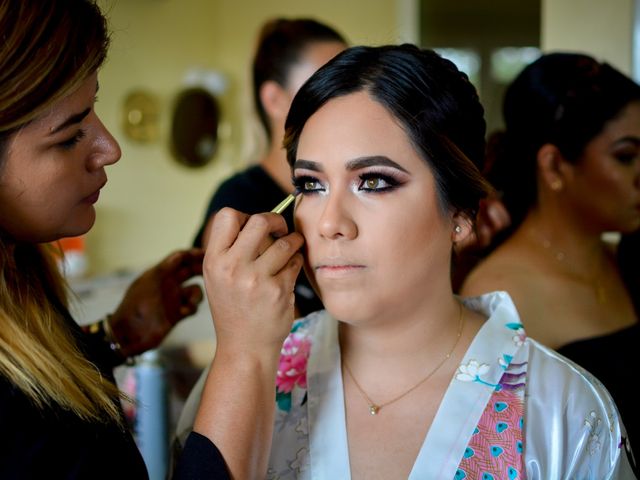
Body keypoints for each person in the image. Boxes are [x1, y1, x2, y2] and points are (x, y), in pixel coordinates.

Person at [178, 45, 637, 478]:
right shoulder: (244, 378)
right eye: (311, 185)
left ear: (459, 213)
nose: (329, 223)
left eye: (373, 182)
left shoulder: (564, 411)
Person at [0, 1, 240, 477]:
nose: (110, 149)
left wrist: (113, 339)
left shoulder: (23, 283)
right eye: (70, 135)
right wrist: (243, 355)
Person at [461, 52, 640, 453]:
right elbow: (490, 450)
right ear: (555, 166)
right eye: (625, 157)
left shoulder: (624, 262)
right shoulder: (499, 295)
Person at [192, 17, 346, 316]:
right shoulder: (238, 204)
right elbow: (278, 346)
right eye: (329, 86)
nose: (351, 99)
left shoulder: (352, 193)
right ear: (274, 99)